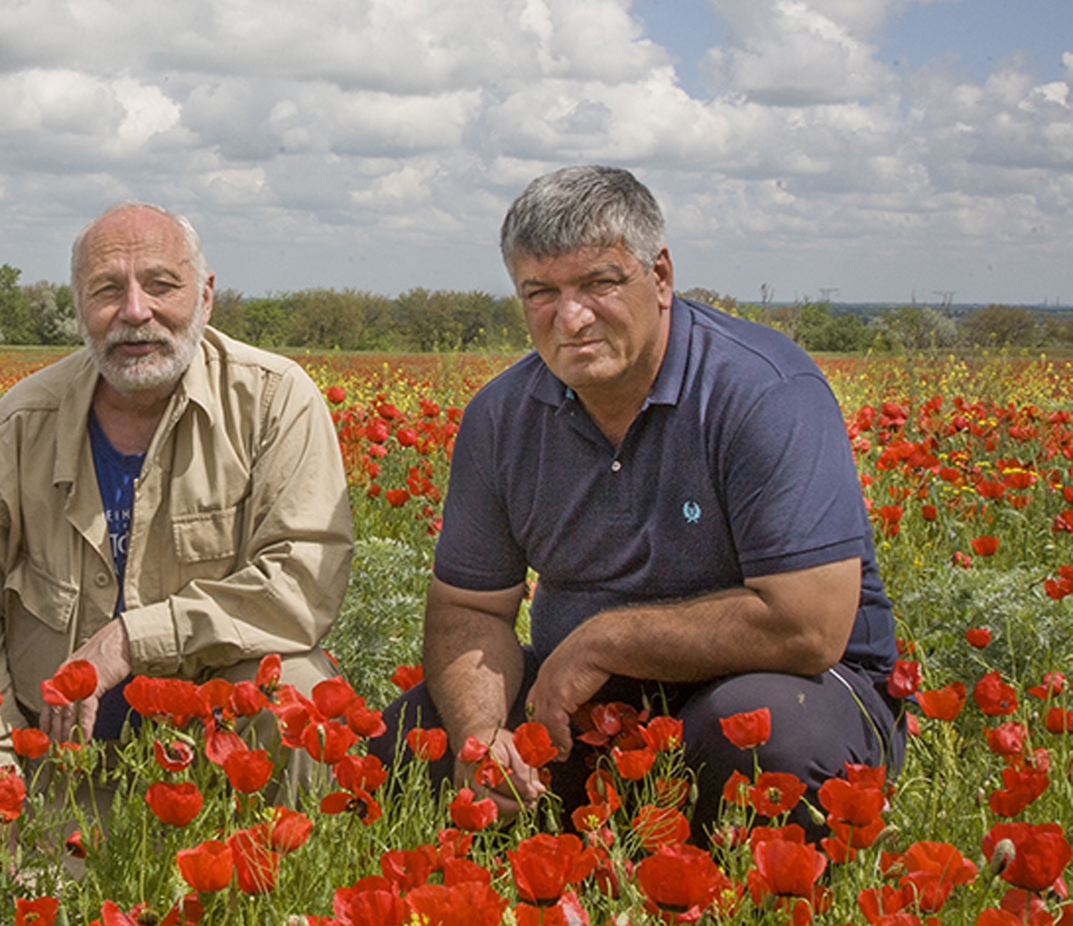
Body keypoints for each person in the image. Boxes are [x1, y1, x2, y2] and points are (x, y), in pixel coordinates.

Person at [381, 165, 903, 834]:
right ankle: (565, 853)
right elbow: (469, 608)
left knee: (749, 736)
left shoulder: (764, 392)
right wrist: (483, 737)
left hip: (790, 683)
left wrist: (607, 639)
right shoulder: (501, 416)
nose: (571, 317)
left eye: (598, 283)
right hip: (591, 700)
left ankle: (751, 909)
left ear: (660, 277)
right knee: (414, 736)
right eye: (540, 291)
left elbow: (809, 626)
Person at [0, 202, 352, 767]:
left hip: (215, 750)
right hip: (55, 763)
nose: (136, 311)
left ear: (206, 295)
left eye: (162, 286)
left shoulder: (273, 402)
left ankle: (274, 851)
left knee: (299, 691)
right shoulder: (20, 427)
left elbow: (300, 584)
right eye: (106, 290)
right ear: (78, 306)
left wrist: (132, 639)